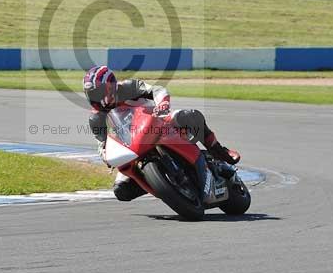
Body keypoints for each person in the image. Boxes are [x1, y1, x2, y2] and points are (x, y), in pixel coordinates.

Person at [84, 65, 241, 202]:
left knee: (189, 116)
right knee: (121, 191)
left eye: (98, 92)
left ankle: (219, 151)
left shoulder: (128, 87)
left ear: (110, 86)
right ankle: (159, 184)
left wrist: (163, 102)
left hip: (158, 125)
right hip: (132, 148)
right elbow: (102, 143)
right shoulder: (96, 118)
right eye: (91, 94)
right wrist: (105, 155)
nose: (95, 97)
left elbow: (157, 89)